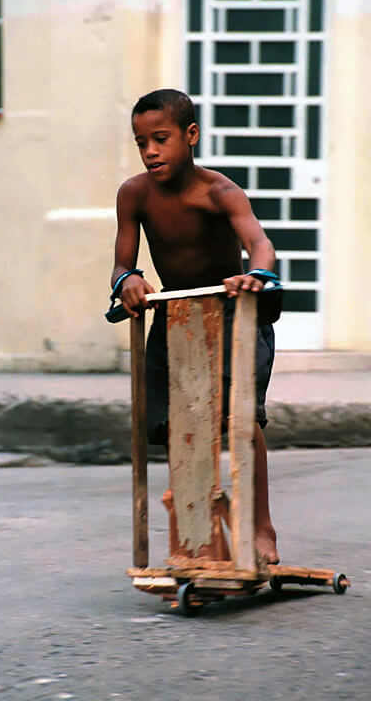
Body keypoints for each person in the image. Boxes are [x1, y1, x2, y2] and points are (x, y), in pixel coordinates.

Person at [110, 88, 279, 565]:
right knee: (171, 423)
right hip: (175, 315)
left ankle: (261, 525)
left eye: (160, 139)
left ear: (190, 135)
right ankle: (198, 515)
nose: (150, 152)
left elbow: (260, 245)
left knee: (240, 419)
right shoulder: (134, 194)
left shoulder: (219, 191)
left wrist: (256, 275)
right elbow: (121, 264)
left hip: (231, 311)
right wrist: (130, 280)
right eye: (141, 142)